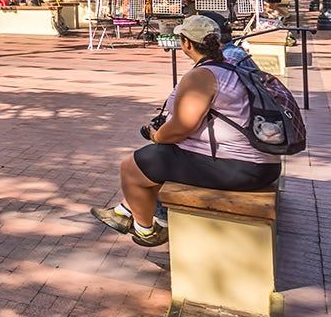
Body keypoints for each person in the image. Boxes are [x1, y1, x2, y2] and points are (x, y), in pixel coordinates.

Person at [91, 15, 281, 248]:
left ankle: (145, 230)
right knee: (160, 158)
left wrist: (156, 135)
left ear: (186, 43)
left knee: (133, 166)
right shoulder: (228, 67)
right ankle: (124, 212)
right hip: (259, 163)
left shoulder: (202, 75)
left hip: (240, 167)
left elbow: (183, 125)